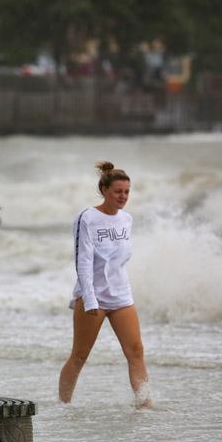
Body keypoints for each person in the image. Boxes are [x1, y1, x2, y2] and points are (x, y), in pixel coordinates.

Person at [58, 162, 152, 408]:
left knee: (136, 351)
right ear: (104, 190)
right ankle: (63, 405)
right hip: (94, 297)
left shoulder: (126, 219)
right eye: (118, 191)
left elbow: (120, 260)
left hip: (121, 295)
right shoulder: (87, 218)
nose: (123, 197)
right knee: (80, 355)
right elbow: (83, 260)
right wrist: (89, 298)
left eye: (127, 192)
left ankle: (144, 404)